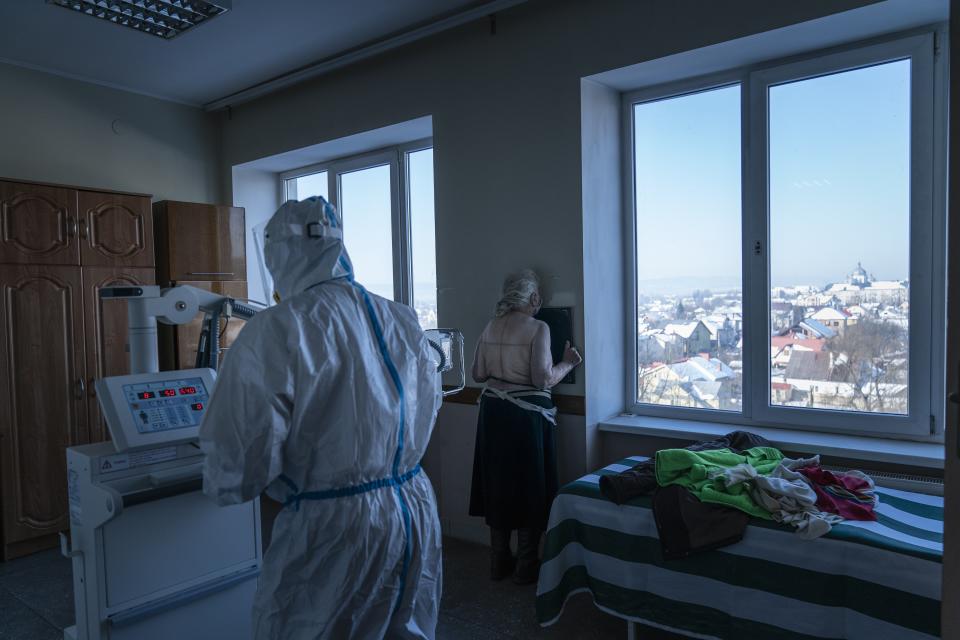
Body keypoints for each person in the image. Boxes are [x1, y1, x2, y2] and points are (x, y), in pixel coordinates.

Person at [199, 196, 443, 639]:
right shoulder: (402, 318)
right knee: (404, 627)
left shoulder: (276, 329)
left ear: (278, 255)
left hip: (334, 529)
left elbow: (237, 469)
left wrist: (220, 475)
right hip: (413, 509)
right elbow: (428, 405)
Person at [469, 269, 582, 584]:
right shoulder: (539, 328)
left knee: (498, 485)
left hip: (492, 414)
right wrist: (569, 363)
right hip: (527, 418)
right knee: (529, 487)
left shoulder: (491, 325)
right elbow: (541, 379)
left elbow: (478, 373)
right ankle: (526, 566)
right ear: (534, 298)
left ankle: (498, 562)